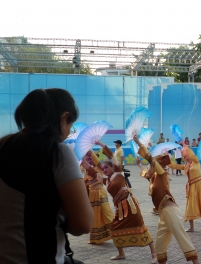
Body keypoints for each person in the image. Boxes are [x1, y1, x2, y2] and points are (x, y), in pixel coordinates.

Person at [0, 88, 92, 263]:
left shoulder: (2, 145)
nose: (67, 134)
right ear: (64, 117)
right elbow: (83, 224)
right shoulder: (57, 152)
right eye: (70, 126)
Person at [135, 135, 199, 264]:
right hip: (163, 213)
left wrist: (138, 142)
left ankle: (196, 262)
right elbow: (145, 173)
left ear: (155, 165)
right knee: (160, 244)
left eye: (150, 166)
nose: (148, 168)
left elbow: (150, 160)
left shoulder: (161, 173)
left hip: (170, 211)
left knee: (182, 237)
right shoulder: (152, 177)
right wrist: (139, 166)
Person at [101, 160, 157, 262]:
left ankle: (154, 254)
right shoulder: (107, 181)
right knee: (113, 228)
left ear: (112, 167)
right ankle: (121, 254)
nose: (104, 170)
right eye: (102, 169)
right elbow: (93, 169)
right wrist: (86, 160)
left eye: (106, 167)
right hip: (119, 208)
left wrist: (100, 143)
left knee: (140, 226)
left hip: (130, 205)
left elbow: (113, 157)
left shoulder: (119, 174)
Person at [167, 144, 201, 233]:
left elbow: (193, 156)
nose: (184, 157)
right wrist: (166, 160)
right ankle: (191, 227)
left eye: (185, 155)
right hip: (192, 187)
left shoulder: (196, 161)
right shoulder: (186, 165)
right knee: (190, 205)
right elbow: (175, 166)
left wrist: (186, 148)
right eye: (183, 156)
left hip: (200, 185)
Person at [81, 151, 114, 244]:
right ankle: (95, 238)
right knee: (94, 216)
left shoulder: (100, 168)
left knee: (106, 213)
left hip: (100, 194)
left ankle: (116, 230)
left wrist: (89, 151)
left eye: (89, 159)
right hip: (92, 195)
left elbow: (93, 162)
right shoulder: (87, 170)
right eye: (86, 160)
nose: (87, 161)